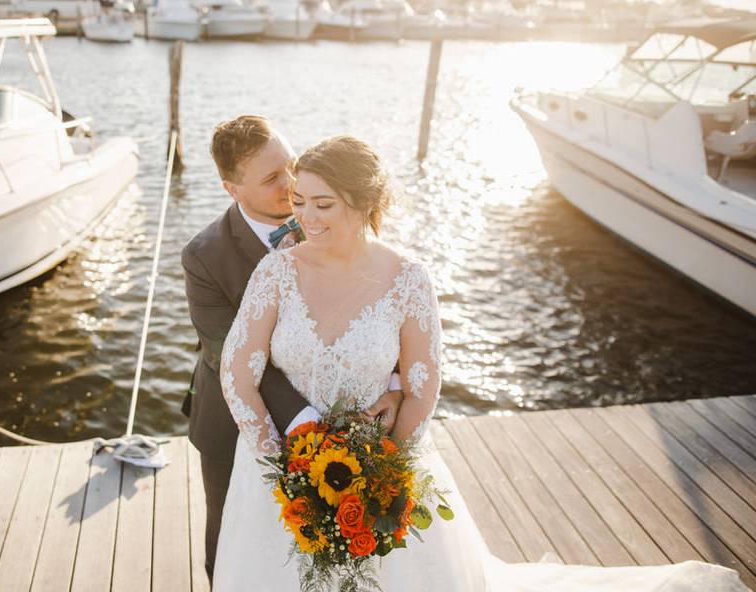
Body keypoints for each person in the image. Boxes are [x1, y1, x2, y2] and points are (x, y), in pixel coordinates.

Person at [211, 135, 748, 591]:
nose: (306, 217)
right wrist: (281, 464)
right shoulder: (276, 273)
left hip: (379, 469)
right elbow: (237, 370)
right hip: (275, 470)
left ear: (362, 201)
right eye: (300, 201)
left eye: (322, 204)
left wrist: (379, 474)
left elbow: (422, 388)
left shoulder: (407, 279)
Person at [181, 116, 404, 582]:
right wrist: (310, 427)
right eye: (271, 179)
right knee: (231, 543)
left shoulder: (333, 215)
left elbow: (386, 302)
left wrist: (399, 384)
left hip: (354, 414)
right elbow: (230, 355)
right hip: (237, 419)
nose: (290, 185)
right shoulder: (204, 256)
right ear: (232, 189)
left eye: (290, 165)